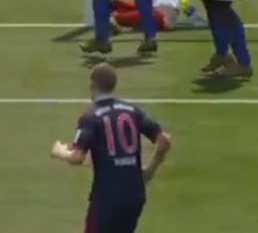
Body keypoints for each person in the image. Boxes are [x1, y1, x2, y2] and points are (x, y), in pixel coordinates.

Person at [50, 64, 172, 233]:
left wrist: (59, 152)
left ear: (92, 85)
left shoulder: (91, 116)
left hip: (107, 196)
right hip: (134, 193)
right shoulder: (132, 110)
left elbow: (77, 157)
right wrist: (150, 170)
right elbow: (164, 140)